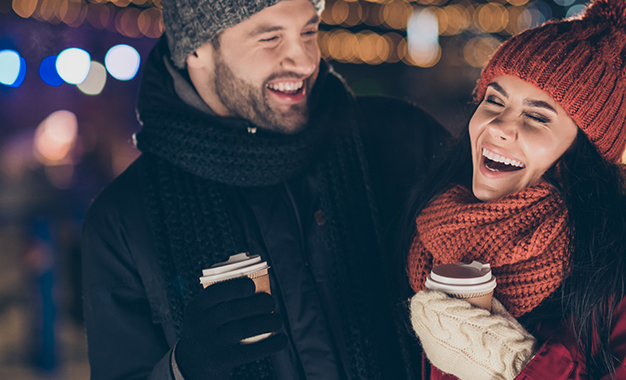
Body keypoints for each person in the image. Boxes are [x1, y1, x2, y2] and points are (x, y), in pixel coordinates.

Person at [80, 0, 449, 379]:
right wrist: (180, 370)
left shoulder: (403, 139)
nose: (305, 61)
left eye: (309, 31)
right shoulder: (124, 219)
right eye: (270, 37)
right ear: (196, 48)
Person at [403, 0, 626, 378]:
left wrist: (509, 362)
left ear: (582, 150)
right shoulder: (429, 230)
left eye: (537, 116)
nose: (499, 126)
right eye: (494, 100)